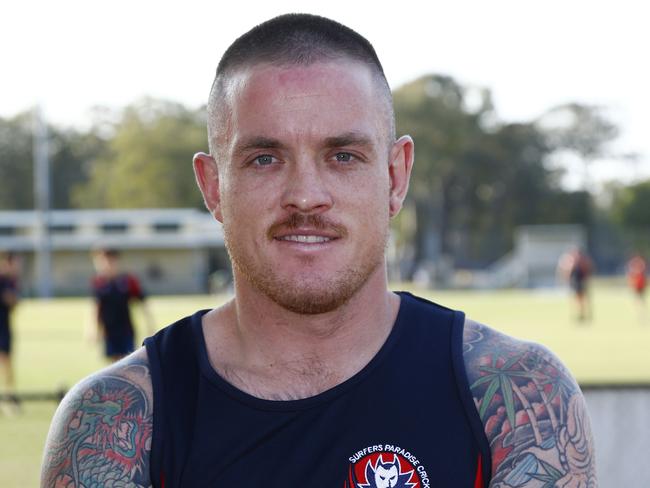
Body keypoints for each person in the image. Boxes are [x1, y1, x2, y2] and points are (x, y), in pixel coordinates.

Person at [42, 14, 597, 487]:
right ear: (213, 186)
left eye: (343, 156)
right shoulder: (119, 420)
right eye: (265, 158)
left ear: (395, 175)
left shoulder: (516, 397)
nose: (306, 195)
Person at [90, 248, 155, 362]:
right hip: (108, 331)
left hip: (126, 330)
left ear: (116, 261)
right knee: (113, 365)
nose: (106, 265)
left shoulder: (128, 281)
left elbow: (142, 303)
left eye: (110, 261)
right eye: (101, 262)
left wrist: (149, 325)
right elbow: (96, 307)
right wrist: (94, 329)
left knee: (127, 362)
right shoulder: (99, 282)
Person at [0, 251, 20, 414]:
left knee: (7, 363)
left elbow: (13, 303)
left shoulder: (11, 282)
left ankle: (10, 396)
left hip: (4, 327)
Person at [558, 247, 594, 322]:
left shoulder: (582, 262)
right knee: (577, 299)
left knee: (582, 299)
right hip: (575, 282)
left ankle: (583, 314)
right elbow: (567, 273)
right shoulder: (572, 262)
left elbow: (588, 271)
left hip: (581, 282)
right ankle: (579, 314)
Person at [627, 253, 647, 320]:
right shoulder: (634, 263)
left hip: (640, 283)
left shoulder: (640, 263)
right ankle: (639, 312)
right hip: (637, 283)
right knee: (638, 299)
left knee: (640, 299)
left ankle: (641, 312)